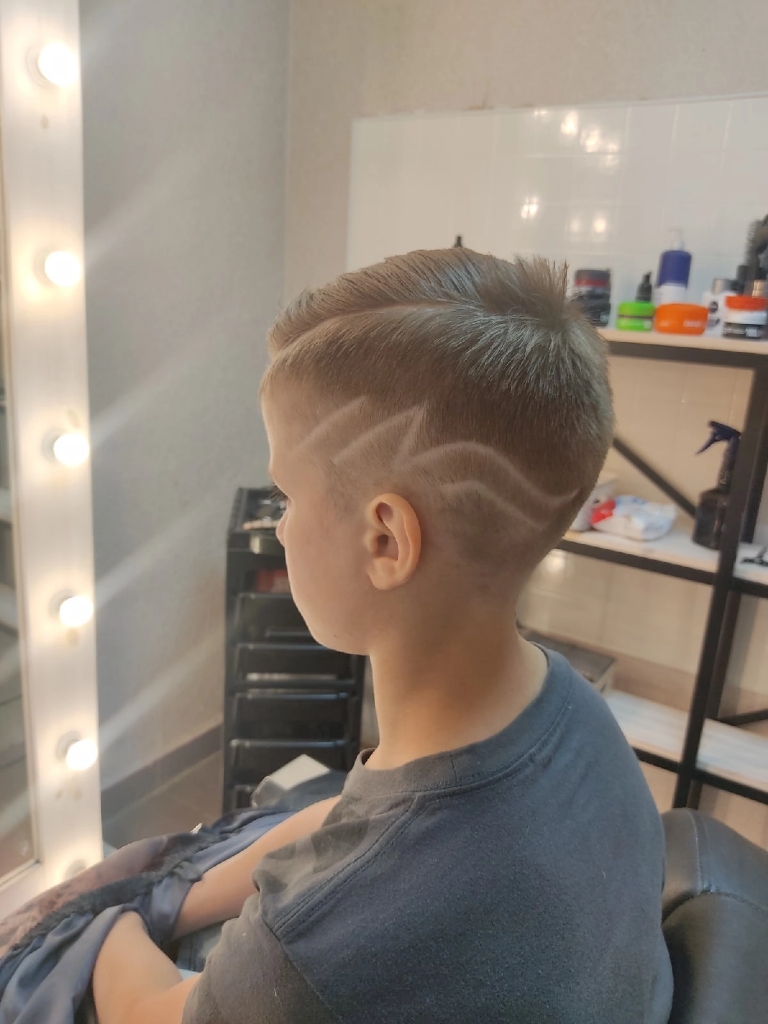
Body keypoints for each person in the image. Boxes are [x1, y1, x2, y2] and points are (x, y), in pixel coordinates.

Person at [92, 249, 674, 1023]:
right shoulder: (574, 710)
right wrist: (184, 894)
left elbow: (144, 1012)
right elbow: (354, 808)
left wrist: (105, 913)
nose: (281, 527)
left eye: (287, 496)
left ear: (386, 541)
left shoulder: (320, 943)